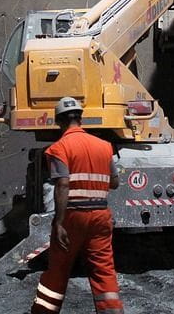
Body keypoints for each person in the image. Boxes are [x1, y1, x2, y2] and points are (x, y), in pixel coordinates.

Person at [31, 97, 124, 314]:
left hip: (73, 217)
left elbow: (63, 184)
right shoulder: (104, 147)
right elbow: (115, 182)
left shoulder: (58, 148)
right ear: (81, 119)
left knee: (58, 270)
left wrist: (59, 223)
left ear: (59, 121)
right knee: (103, 270)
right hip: (101, 216)